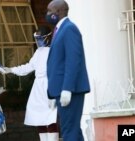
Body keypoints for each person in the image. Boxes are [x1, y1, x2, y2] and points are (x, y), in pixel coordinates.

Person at [3, 26, 59, 141]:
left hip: (49, 86)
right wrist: (11, 69)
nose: (38, 41)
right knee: (39, 117)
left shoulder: (55, 51)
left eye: (40, 38)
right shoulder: (38, 52)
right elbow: (28, 67)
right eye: (37, 38)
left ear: (48, 38)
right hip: (38, 89)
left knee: (50, 117)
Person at [45, 0, 90, 141]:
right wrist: (52, 93)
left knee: (69, 131)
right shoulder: (60, 30)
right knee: (73, 131)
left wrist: (67, 88)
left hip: (70, 90)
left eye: (49, 11)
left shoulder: (69, 29)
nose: (47, 14)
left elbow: (73, 60)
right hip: (60, 90)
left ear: (58, 12)